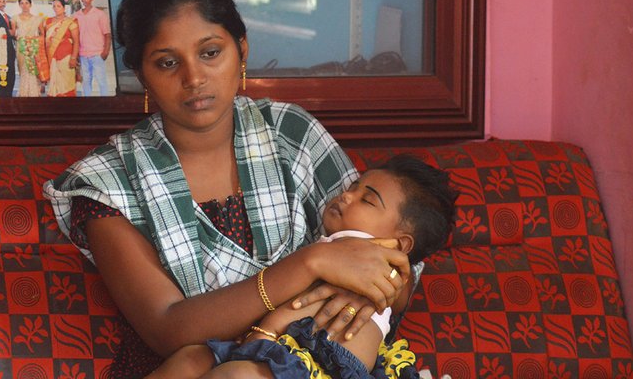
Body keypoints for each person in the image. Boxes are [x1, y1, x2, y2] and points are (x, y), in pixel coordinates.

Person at [43, 0, 410, 378]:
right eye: (167, 62)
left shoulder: (293, 134)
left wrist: (371, 292)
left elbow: (394, 261)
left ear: (242, 50)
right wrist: (311, 264)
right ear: (142, 76)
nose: (193, 77)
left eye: (210, 52)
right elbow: (166, 327)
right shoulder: (108, 182)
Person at [152, 155, 458, 378]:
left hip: (318, 367)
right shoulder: (348, 255)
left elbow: (299, 307)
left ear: (402, 244)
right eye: (353, 186)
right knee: (190, 358)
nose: (346, 195)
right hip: (292, 353)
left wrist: (260, 335)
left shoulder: (350, 254)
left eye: (367, 200)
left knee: (234, 375)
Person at [74, 0, 113, 96]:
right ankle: (87, 106)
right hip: (83, 54)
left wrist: (105, 52)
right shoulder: (76, 16)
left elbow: (107, 35)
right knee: (86, 82)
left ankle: (105, 105)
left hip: (97, 54)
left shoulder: (100, 14)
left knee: (101, 81)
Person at [12, 0, 48, 97]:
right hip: (21, 48)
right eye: (22, 3)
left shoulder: (37, 19)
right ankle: (23, 93)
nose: (24, 5)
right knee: (22, 69)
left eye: (26, 3)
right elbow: (13, 34)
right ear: (19, 5)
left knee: (33, 70)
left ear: (30, 4)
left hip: (33, 48)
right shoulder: (15, 18)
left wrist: (33, 40)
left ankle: (34, 92)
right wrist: (18, 38)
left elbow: (42, 34)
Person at [43, 0, 80, 97]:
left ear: (64, 8)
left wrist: (73, 58)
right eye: (54, 6)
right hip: (51, 57)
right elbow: (43, 40)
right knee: (54, 85)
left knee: (67, 85)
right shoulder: (48, 21)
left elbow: (76, 42)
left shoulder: (71, 21)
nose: (55, 8)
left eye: (58, 6)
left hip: (66, 57)